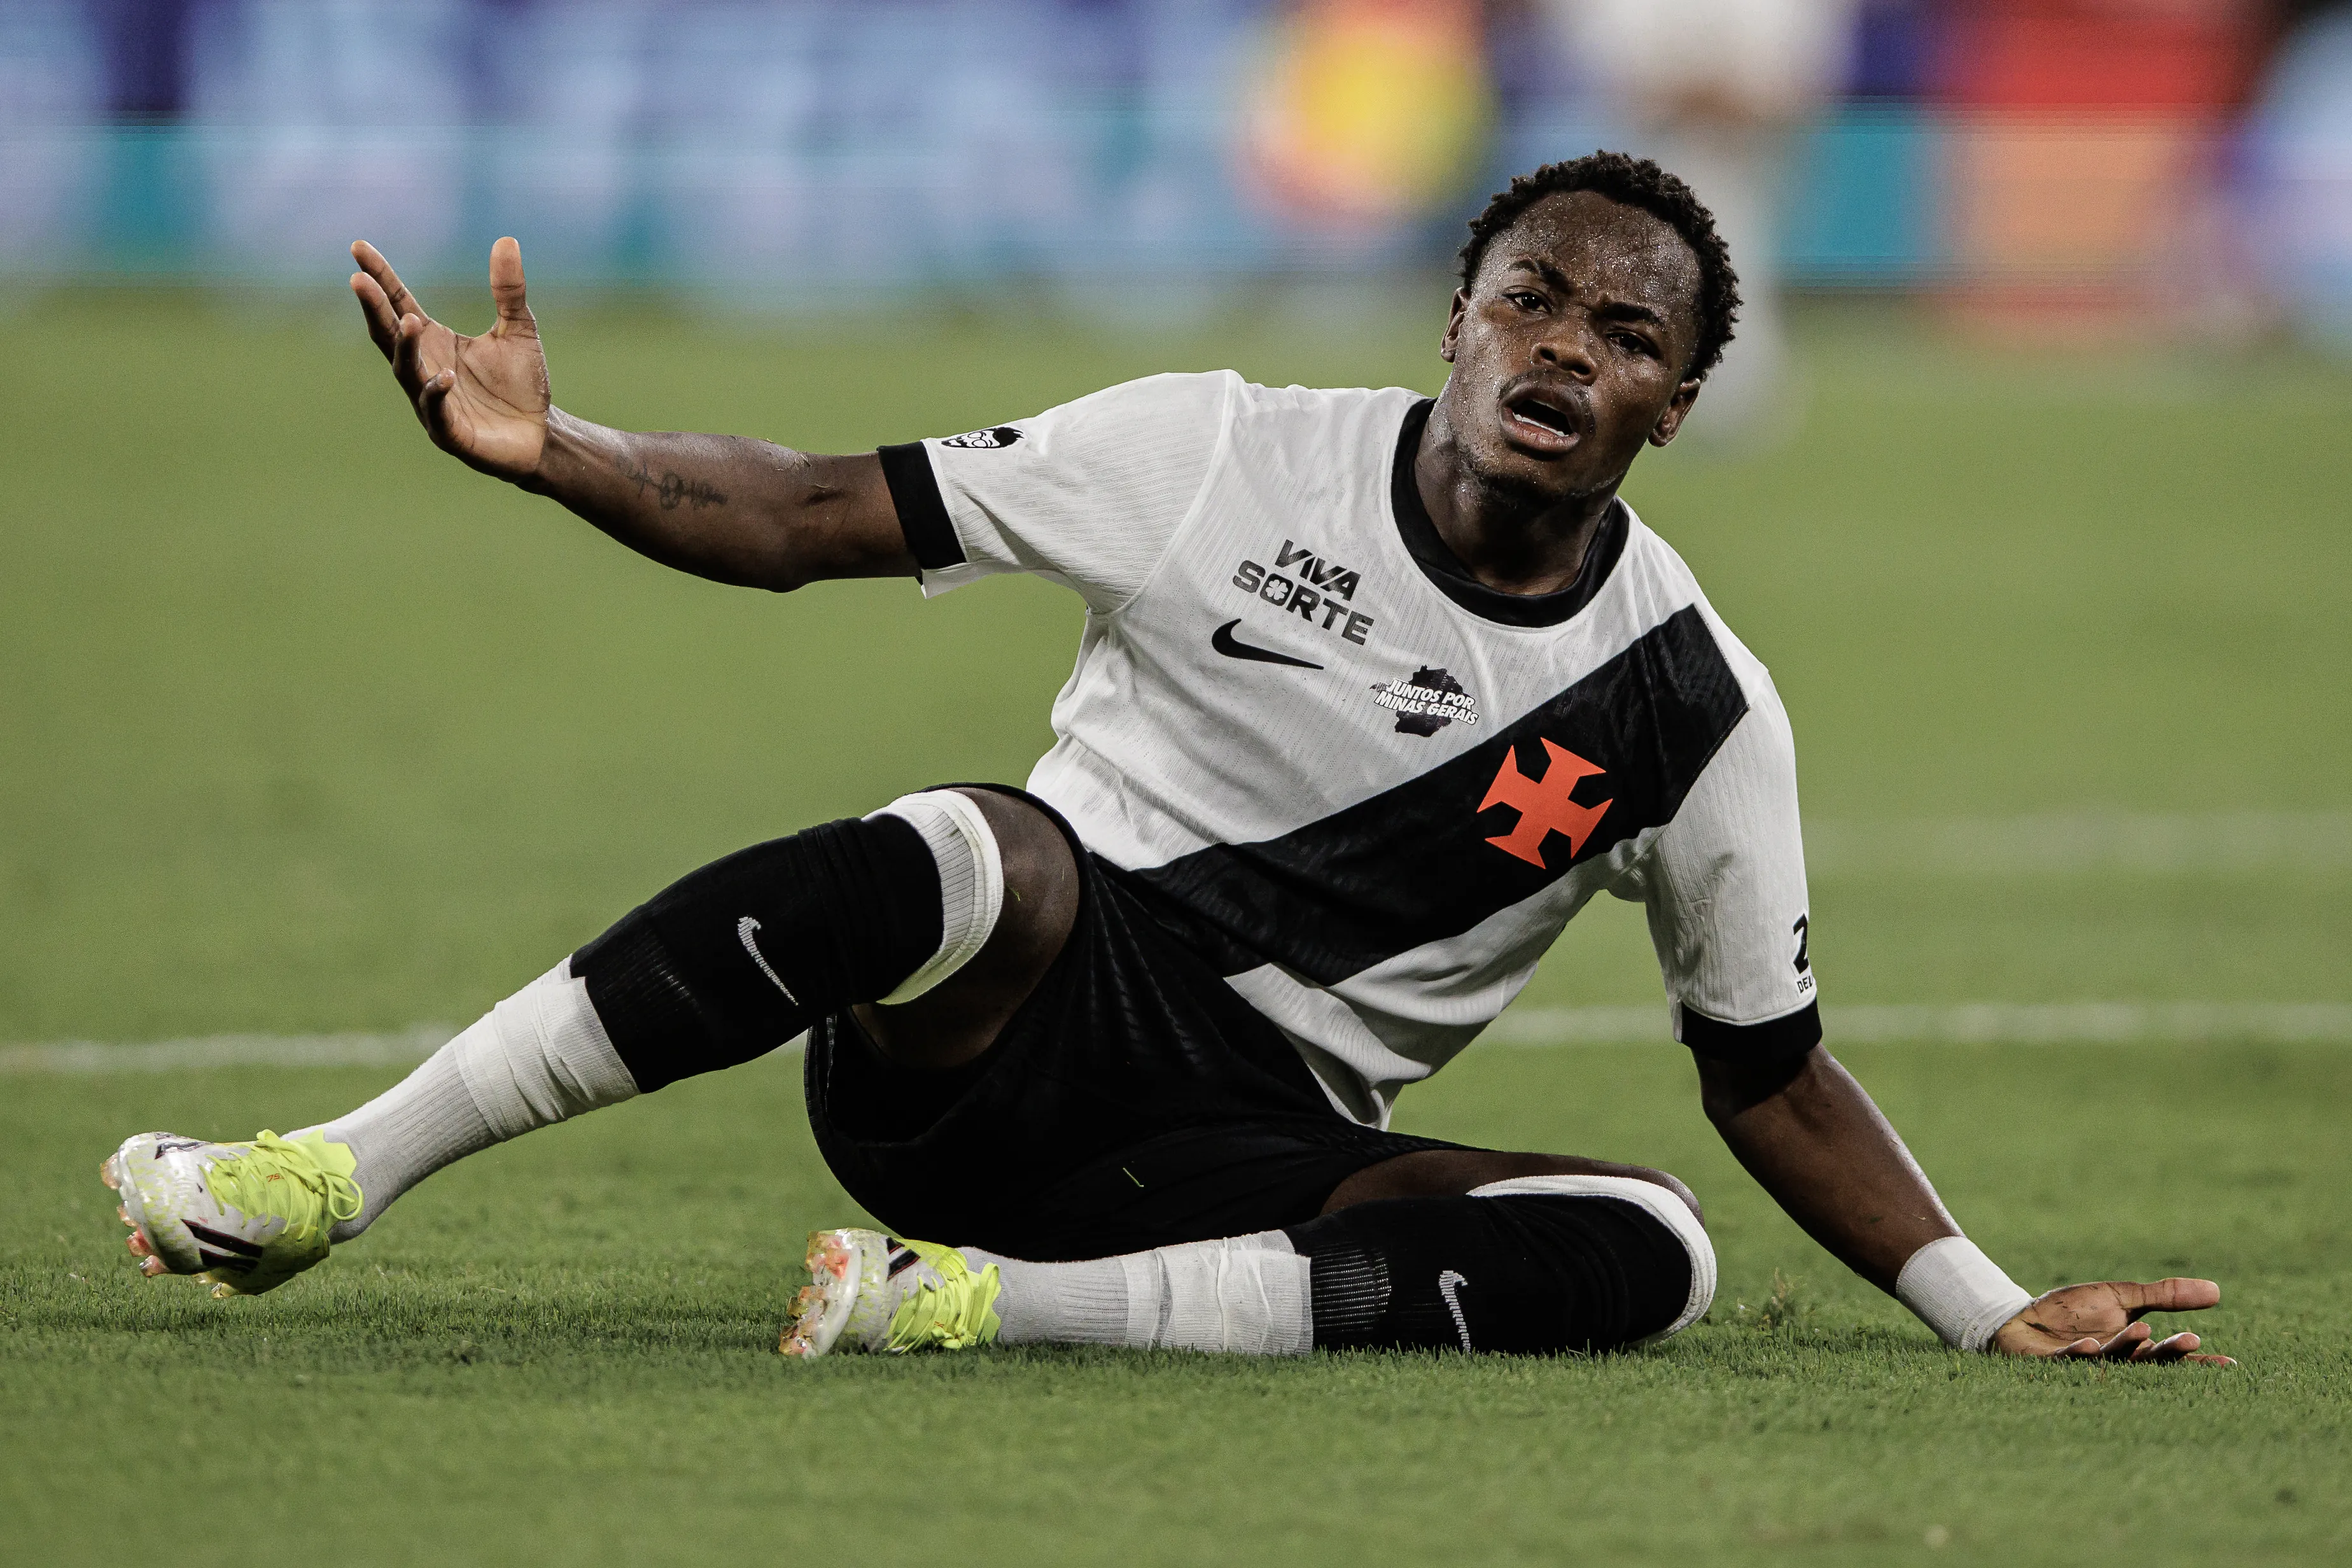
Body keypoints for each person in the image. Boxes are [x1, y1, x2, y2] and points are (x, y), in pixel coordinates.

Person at [104, 153, 2227, 1364]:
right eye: (1530, 301)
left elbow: (1766, 1066)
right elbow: (800, 512)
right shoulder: (1212, 450)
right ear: (1458, 321)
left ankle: (982, 1312)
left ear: (1679, 408)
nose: (1567, 347)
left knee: (1651, 1250)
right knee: (969, 848)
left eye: (1629, 334)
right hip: (992, 1030)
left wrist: (1984, 1308)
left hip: (1250, 1152)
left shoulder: (1691, 708)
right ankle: (327, 1181)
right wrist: (552, 450)